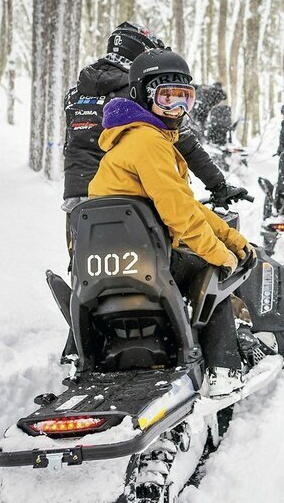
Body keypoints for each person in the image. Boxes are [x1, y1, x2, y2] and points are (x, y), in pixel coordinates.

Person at [89, 48, 255, 398]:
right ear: (141, 96)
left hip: (113, 265)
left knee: (208, 254)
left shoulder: (130, 140)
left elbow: (184, 205)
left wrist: (230, 238)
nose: (177, 110)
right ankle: (224, 369)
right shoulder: (149, 142)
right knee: (211, 270)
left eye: (185, 99)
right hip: (148, 260)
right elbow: (180, 214)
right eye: (167, 99)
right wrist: (222, 254)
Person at [62, 22, 247, 221]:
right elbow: (184, 142)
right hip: (126, 201)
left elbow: (71, 144)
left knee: (83, 251)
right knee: (180, 242)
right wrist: (218, 185)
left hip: (77, 202)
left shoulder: (75, 93)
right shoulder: (138, 92)